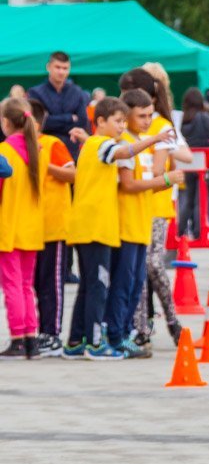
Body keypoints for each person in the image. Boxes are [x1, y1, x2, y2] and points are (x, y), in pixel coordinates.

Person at [63, 98, 170, 360]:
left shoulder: (93, 144)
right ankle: (95, 344)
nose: (122, 126)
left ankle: (76, 340)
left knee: (89, 285)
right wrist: (155, 139)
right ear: (100, 121)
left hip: (89, 226)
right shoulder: (103, 145)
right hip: (95, 228)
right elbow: (123, 153)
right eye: (118, 121)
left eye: (124, 121)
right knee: (98, 286)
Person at [107, 89, 186, 358]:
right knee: (131, 279)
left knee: (140, 275)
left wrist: (163, 180)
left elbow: (149, 180)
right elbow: (130, 184)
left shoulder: (144, 138)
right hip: (129, 221)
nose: (147, 121)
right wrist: (164, 179)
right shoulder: (126, 144)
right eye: (141, 116)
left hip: (146, 217)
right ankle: (129, 331)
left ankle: (142, 328)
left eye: (149, 115)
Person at [122, 67, 193, 346]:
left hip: (156, 203)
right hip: (133, 205)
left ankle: (172, 319)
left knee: (152, 263)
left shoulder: (160, 125)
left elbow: (160, 171)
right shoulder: (123, 128)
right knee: (138, 267)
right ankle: (141, 326)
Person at [29, 101, 75, 356]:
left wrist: (45, 165)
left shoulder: (52, 144)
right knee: (35, 283)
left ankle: (52, 333)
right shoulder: (16, 148)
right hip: (30, 226)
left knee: (51, 283)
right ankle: (39, 331)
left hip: (53, 226)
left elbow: (73, 174)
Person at [0, 98, 41, 360]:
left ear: (6, 122)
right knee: (26, 285)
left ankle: (17, 339)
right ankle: (31, 338)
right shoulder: (36, 149)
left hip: (9, 224)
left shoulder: (5, 151)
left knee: (11, 286)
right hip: (32, 226)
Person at [26, 51, 90, 159]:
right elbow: (40, 123)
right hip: (46, 151)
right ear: (48, 67)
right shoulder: (35, 92)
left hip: (72, 151)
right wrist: (69, 118)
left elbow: (82, 122)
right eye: (57, 67)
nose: (61, 72)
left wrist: (52, 120)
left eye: (65, 68)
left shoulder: (77, 92)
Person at [179, 87, 209, 239]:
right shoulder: (204, 117)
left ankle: (180, 230)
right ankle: (199, 231)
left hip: (186, 162)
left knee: (187, 199)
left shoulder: (182, 119)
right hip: (203, 162)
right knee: (201, 199)